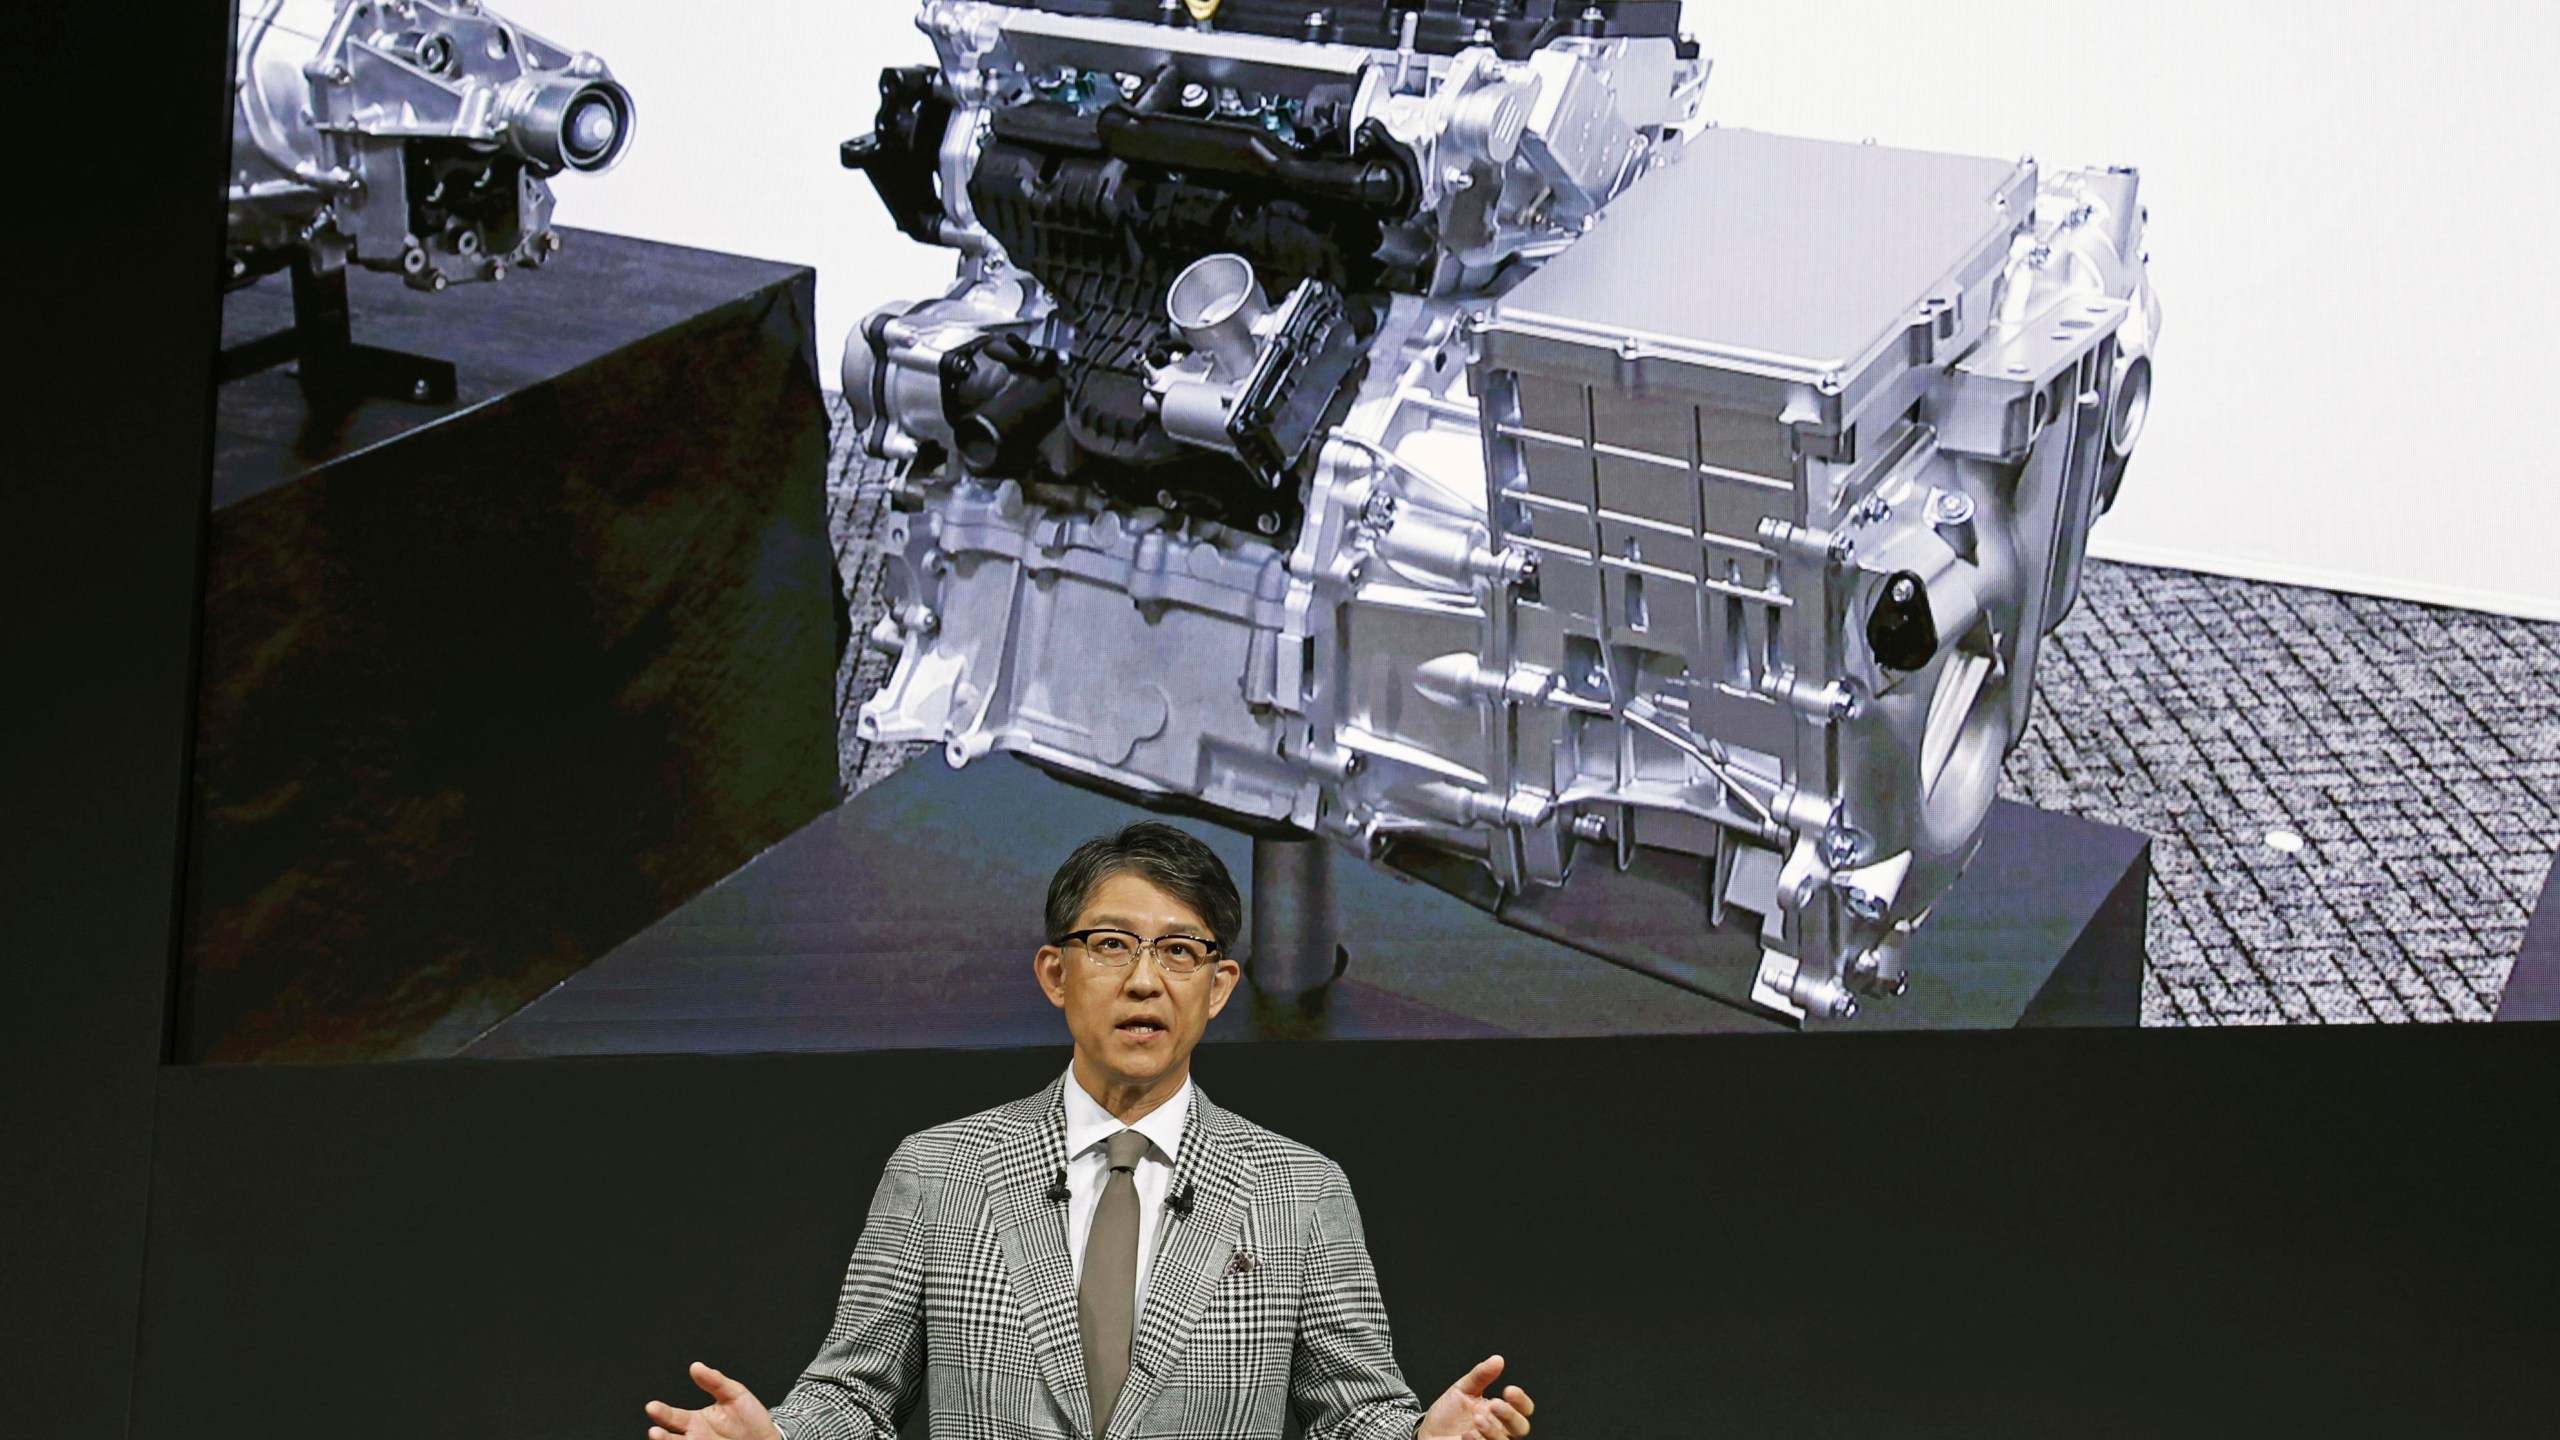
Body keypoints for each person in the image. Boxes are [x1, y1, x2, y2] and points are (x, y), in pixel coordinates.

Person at [643, 821, 1534, 1440]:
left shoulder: (1298, 1190)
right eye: (1111, 945)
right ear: (1054, 973)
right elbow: (856, 1395)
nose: (1145, 982)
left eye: (1179, 952)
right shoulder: (939, 1172)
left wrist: (1423, 1434)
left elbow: (1355, 1414)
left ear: (1219, 988)